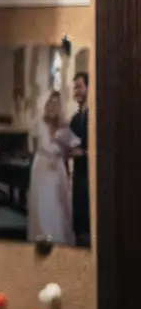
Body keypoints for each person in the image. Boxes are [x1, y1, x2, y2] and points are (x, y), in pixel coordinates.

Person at [28, 91, 80, 248]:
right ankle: (43, 237)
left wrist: (67, 151)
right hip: (42, 168)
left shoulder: (64, 128)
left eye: (56, 104)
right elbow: (31, 147)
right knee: (43, 204)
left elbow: (75, 148)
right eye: (50, 103)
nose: (52, 107)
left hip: (57, 170)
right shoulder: (39, 124)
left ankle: (58, 239)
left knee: (57, 206)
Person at [71, 72, 90, 246]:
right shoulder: (75, 118)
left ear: (88, 88)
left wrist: (84, 153)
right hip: (78, 171)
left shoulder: (95, 116)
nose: (76, 91)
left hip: (91, 172)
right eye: (74, 87)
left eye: (79, 86)